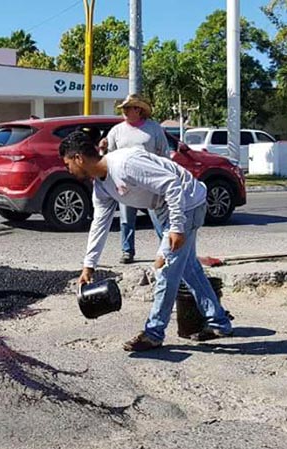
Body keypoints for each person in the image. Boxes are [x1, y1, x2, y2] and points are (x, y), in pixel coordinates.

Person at [60, 130, 232, 351]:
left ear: (78, 158)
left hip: (187, 203)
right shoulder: (102, 186)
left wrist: (177, 227)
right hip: (167, 209)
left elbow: (172, 183)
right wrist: (88, 266)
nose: (68, 170)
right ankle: (219, 322)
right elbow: (99, 224)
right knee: (189, 269)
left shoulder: (125, 164)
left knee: (164, 269)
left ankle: (153, 333)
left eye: (67, 165)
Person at [99, 94, 170, 264]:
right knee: (126, 219)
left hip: (150, 181)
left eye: (127, 107)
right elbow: (109, 155)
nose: (123, 111)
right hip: (125, 182)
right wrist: (103, 148)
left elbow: (164, 152)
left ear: (138, 110)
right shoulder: (116, 131)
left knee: (158, 217)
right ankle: (127, 251)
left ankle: (165, 250)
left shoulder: (153, 129)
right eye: (123, 108)